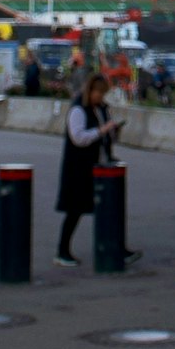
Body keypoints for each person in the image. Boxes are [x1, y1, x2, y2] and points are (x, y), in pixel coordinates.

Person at [53, 72, 138, 267]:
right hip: (80, 168)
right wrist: (101, 130)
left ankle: (117, 247)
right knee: (75, 210)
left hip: (100, 165)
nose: (100, 97)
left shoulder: (101, 109)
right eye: (98, 93)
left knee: (109, 209)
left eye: (102, 93)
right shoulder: (78, 110)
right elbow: (79, 137)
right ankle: (62, 250)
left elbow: (104, 136)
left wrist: (113, 132)